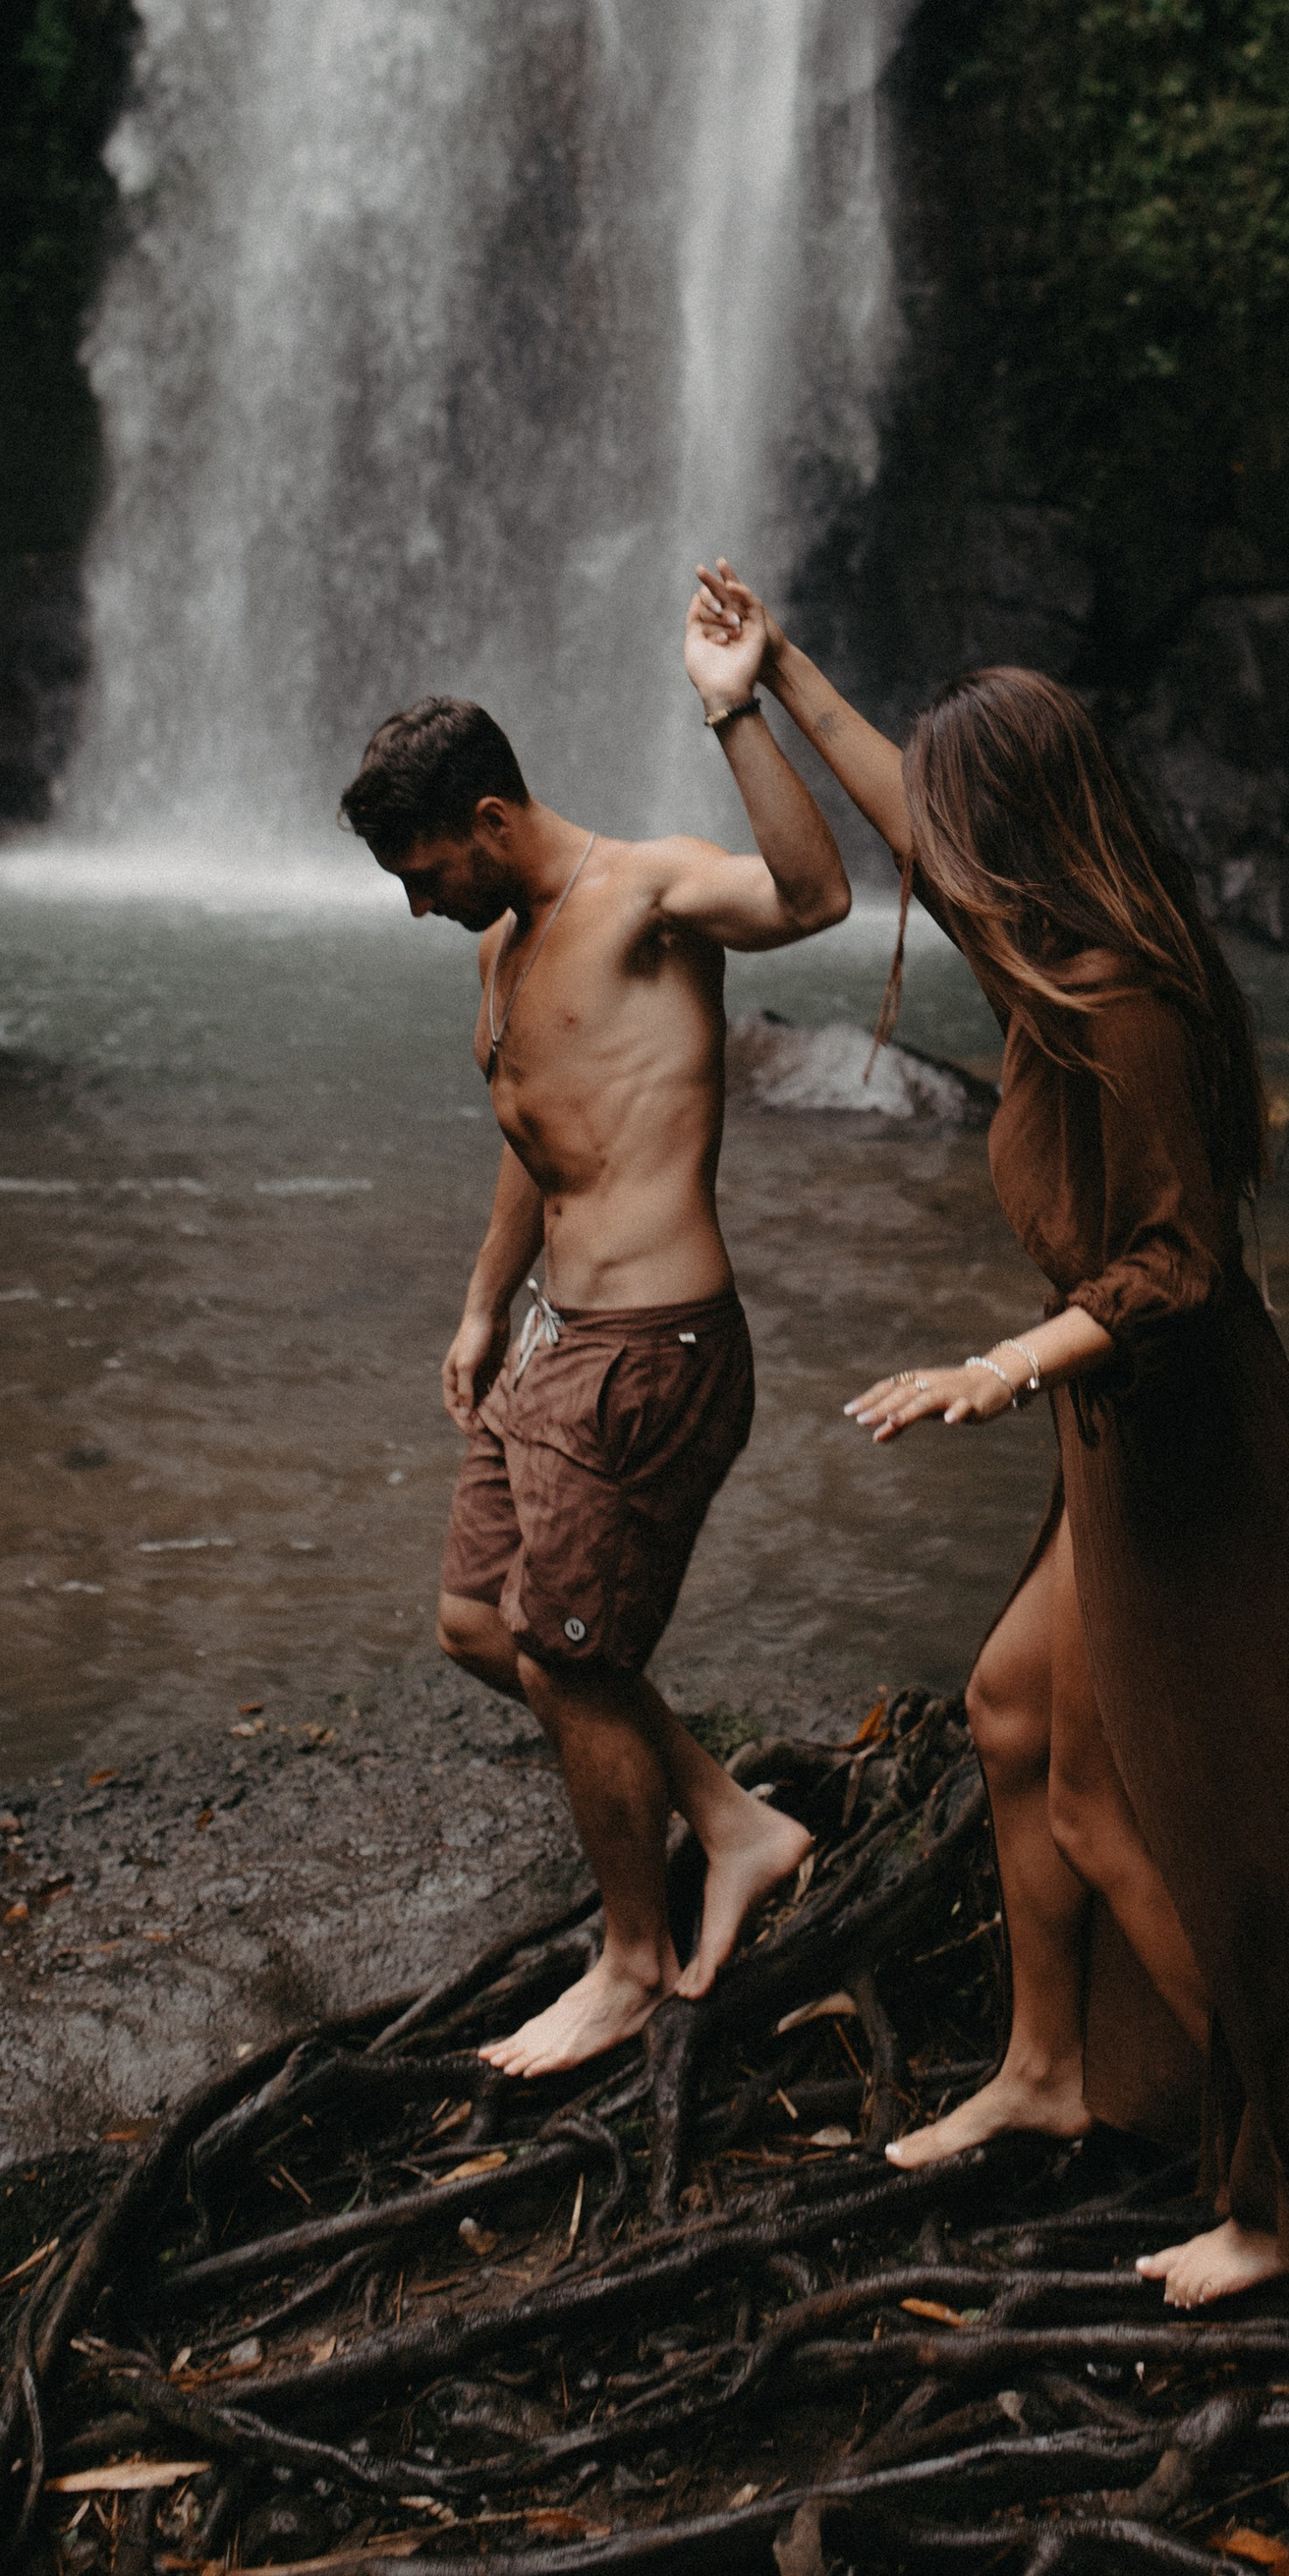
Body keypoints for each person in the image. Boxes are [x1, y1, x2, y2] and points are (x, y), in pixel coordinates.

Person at [689, 563, 1289, 2310]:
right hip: (1121, 1437)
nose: (927, 855)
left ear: (1013, 830)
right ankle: (1048, 2069)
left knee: (1143, 1810)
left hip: (1193, 1451)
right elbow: (910, 825)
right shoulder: (1045, 957)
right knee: (1014, 1709)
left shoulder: (1126, 1005)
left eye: (955, 824)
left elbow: (1182, 1264)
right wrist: (774, 672)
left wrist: (1002, 1366)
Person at [339, 584, 849, 2077]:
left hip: (655, 1346)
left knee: (564, 1651)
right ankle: (734, 1822)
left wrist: (733, 706)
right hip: (558, 1338)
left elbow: (815, 900)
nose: (417, 903)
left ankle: (631, 1964)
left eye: (426, 871)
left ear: (490, 818)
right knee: (479, 1627)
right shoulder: (499, 949)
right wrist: (485, 1304)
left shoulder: (647, 893)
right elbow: (532, 1125)